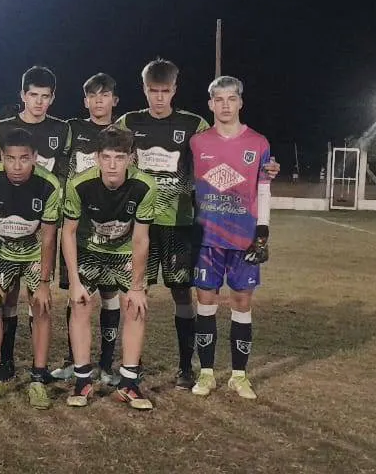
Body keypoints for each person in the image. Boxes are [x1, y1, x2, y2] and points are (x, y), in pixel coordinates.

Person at [116, 58, 278, 389]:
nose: (159, 97)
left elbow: (227, 148)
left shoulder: (194, 126)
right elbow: (106, 146)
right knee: (135, 290)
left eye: (165, 91)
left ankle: (186, 366)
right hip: (140, 225)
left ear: (174, 90)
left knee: (182, 292)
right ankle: (132, 363)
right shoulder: (128, 122)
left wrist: (266, 168)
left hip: (181, 223)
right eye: (153, 91)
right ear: (144, 90)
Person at [187, 76, 272, 400]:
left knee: (242, 303)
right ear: (210, 104)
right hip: (206, 237)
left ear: (240, 102)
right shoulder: (197, 143)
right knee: (205, 303)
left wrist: (262, 231)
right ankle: (206, 373)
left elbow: (263, 189)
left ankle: (239, 376)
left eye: (231, 99)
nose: (225, 105)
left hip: (243, 238)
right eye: (219, 99)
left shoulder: (259, 143)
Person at [61, 126, 157, 410]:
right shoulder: (79, 184)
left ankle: (129, 383)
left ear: (131, 158)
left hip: (124, 251)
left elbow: (141, 239)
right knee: (80, 304)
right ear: (97, 158)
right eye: (106, 157)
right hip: (89, 250)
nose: (112, 164)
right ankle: (82, 380)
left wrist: (137, 287)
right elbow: (68, 232)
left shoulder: (145, 186)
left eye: (119, 157)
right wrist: (74, 281)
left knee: (135, 306)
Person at [0, 128, 62, 409]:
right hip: (2, 254)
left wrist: (44, 283)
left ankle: (38, 378)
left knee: (41, 307)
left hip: (34, 253)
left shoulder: (49, 184)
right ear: (2, 157)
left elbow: (49, 237)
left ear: (35, 157)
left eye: (24, 158)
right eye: (10, 159)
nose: (17, 166)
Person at [51, 73, 123, 385]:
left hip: (112, 228)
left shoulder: (122, 133)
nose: (98, 101)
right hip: (77, 227)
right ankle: (74, 360)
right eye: (93, 95)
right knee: (77, 295)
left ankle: (106, 365)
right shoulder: (72, 129)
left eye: (104, 95)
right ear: (85, 101)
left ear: (114, 100)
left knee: (110, 294)